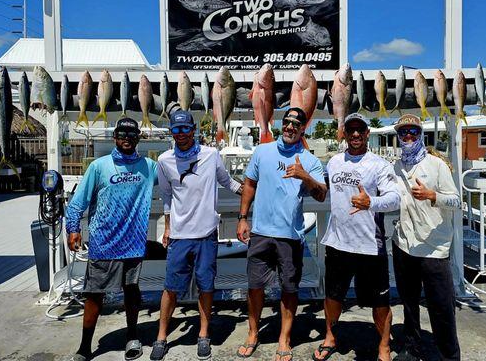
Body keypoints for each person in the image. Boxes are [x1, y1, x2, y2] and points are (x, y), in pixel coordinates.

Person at [236, 107, 327, 361]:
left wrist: (304, 176)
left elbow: (321, 195)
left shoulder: (309, 160)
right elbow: (250, 184)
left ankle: (284, 338)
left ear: (302, 129)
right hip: (261, 232)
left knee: (289, 289)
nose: (290, 127)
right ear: (281, 125)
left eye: (296, 124)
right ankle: (253, 333)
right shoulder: (262, 151)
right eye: (287, 122)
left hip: (290, 235)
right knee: (255, 287)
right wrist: (243, 218)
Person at [150, 110, 242, 361]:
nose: (181, 135)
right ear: (172, 132)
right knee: (170, 288)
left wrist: (252, 191)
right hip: (180, 235)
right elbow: (167, 197)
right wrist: (168, 227)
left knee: (206, 286)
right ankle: (161, 336)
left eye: (185, 129)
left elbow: (229, 182)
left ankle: (203, 334)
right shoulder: (164, 160)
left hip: (206, 234)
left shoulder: (211, 155)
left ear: (194, 130)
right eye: (176, 130)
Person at [65, 117, 158, 361]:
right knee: (94, 295)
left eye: (131, 135)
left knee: (131, 292)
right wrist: (73, 228)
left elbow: (179, 174)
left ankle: (132, 336)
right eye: (122, 134)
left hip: (134, 244)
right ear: (114, 138)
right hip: (103, 243)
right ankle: (85, 346)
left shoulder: (149, 166)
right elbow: (77, 203)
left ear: (138, 138)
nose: (126, 138)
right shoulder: (98, 166)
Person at [313, 113, 400, 361]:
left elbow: (394, 198)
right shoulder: (333, 162)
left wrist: (370, 201)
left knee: (381, 303)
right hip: (338, 243)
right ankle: (330, 337)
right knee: (332, 296)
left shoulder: (380, 164)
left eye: (359, 130)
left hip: (370, 246)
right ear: (344, 133)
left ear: (367, 133)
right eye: (350, 129)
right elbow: (321, 189)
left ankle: (383, 346)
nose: (354, 134)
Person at [391, 114, 461, 361]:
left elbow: (457, 201)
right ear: (398, 137)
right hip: (403, 245)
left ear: (420, 134)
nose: (408, 136)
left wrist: (433, 195)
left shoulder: (437, 164)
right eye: (403, 132)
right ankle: (412, 347)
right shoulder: (396, 167)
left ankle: (449, 355)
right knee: (408, 305)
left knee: (441, 308)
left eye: (412, 131)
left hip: (434, 250)